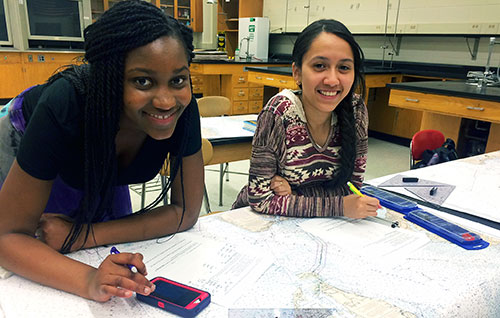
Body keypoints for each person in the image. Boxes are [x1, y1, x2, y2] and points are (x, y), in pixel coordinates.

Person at [0, 0, 204, 302]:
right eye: (142, 81)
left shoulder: (182, 110)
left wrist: (85, 234)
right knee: (42, 243)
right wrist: (90, 279)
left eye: (177, 80)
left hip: (101, 155)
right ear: (108, 79)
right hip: (26, 137)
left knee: (96, 238)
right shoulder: (64, 104)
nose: (165, 101)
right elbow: (8, 237)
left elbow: (186, 211)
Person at [233, 19, 380, 218]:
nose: (332, 80)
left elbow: (351, 188)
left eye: (344, 68)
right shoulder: (279, 113)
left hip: (317, 225)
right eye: (320, 66)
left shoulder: (356, 111)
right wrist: (339, 206)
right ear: (297, 72)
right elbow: (261, 200)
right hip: (257, 222)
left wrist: (294, 194)